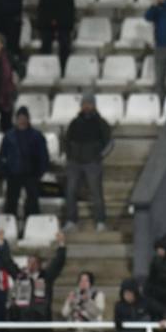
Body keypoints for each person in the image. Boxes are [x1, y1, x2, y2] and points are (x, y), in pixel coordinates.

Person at [63, 95, 111, 233]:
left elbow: (109, 142)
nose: (87, 106)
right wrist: (69, 155)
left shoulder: (101, 123)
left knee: (96, 193)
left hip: (92, 163)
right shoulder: (74, 123)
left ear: (94, 105)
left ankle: (100, 221)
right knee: (70, 191)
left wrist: (99, 156)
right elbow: (66, 140)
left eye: (89, 103)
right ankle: (71, 221)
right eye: (84, 104)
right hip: (74, 163)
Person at [0, 107, 49, 218]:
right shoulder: (9, 136)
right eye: (19, 118)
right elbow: (2, 156)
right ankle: (10, 227)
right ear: (16, 119)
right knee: (11, 204)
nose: (22, 120)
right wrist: (5, 171)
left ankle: (32, 226)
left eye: (24, 118)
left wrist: (39, 172)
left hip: (31, 174)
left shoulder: (37, 136)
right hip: (13, 175)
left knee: (32, 204)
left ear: (28, 119)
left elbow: (43, 156)